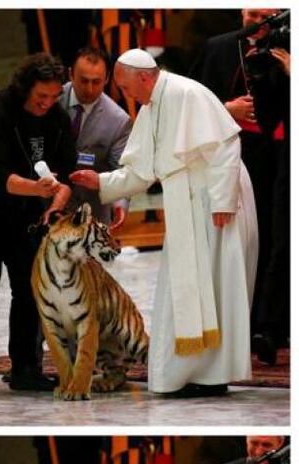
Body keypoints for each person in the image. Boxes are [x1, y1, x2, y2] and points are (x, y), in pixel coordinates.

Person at [71, 48, 257, 398]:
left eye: (127, 88)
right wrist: (102, 182)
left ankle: (212, 375)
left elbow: (226, 146)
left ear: (144, 76)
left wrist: (221, 200)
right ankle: (189, 372)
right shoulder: (152, 106)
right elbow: (142, 170)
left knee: (218, 286)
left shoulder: (188, 93)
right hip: (187, 204)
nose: (127, 96)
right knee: (183, 289)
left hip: (217, 199)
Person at [0, 53, 75, 396]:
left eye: (53, 97)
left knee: (28, 287)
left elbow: (65, 172)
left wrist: (54, 207)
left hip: (26, 211)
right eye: (41, 98)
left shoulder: (57, 119)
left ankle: (24, 367)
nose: (47, 104)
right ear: (25, 89)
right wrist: (36, 189)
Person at [191, 9, 290, 364]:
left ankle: (273, 324)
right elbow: (191, 107)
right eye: (253, 14)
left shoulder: (286, 44)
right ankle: (238, 323)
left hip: (280, 155)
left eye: (267, 15)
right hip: (234, 159)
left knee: (277, 240)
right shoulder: (218, 48)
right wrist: (225, 109)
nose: (258, 21)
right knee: (239, 241)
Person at [61, 46, 131, 228]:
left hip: (92, 215)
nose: (90, 89)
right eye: (83, 81)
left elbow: (121, 171)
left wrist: (119, 204)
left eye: (96, 82)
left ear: (107, 79)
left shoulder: (118, 120)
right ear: (70, 74)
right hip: (49, 209)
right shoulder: (51, 101)